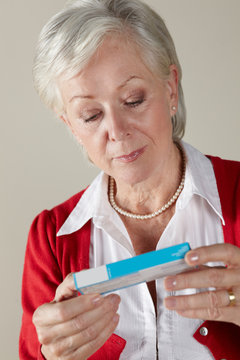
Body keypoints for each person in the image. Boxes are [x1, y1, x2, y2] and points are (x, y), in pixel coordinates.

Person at [19, 0, 240, 359]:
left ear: (170, 88)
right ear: (71, 127)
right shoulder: (51, 238)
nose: (117, 131)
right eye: (90, 115)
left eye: (133, 100)